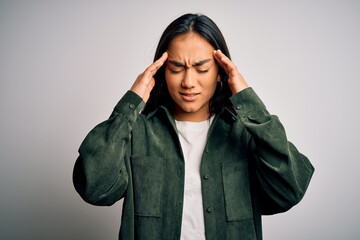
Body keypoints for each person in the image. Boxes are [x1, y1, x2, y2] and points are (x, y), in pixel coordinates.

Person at [73, 13, 314, 240]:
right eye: (176, 69)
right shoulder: (138, 133)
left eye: (202, 69)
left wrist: (248, 101)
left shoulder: (244, 133)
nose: (188, 82)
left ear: (221, 72)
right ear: (161, 72)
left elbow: (290, 190)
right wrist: (130, 104)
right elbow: (94, 188)